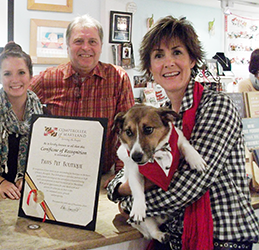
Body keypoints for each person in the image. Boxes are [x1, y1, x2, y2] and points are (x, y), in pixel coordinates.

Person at [107, 16, 259, 250]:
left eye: (177, 52)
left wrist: (129, 202)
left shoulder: (217, 106)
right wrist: (119, 187)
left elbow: (186, 187)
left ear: (193, 59)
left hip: (221, 240)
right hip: (174, 238)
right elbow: (131, 160)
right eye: (158, 55)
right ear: (150, 67)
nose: (168, 63)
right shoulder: (159, 117)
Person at [30, 14, 134, 174]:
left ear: (100, 46)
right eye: (78, 41)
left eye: (92, 42)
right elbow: (16, 99)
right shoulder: (48, 78)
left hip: (100, 174)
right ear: (67, 46)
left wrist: (121, 175)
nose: (86, 47)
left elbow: (127, 131)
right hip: (56, 173)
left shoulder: (118, 78)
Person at [0, 42, 49, 200]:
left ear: (30, 75)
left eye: (21, 72)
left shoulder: (44, 115)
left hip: (30, 193)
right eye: (7, 74)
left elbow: (47, 158)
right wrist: (2, 183)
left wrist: (27, 179)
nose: (15, 80)